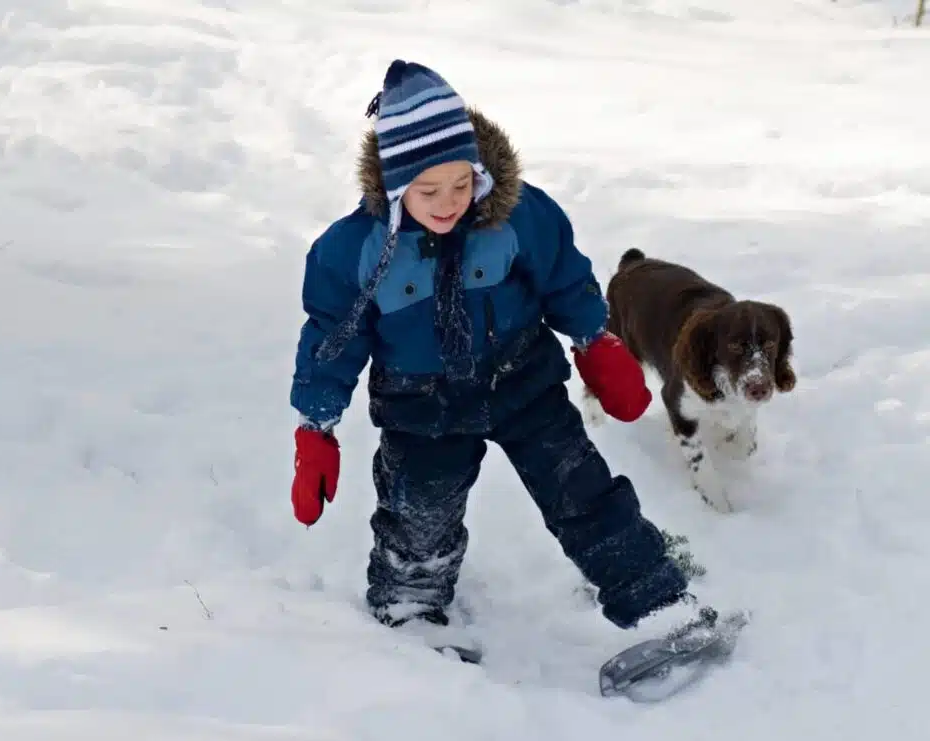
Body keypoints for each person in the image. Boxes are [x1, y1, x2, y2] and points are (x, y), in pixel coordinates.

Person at [289, 59, 717, 641]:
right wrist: (317, 426)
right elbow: (329, 338)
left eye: (462, 184)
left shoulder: (516, 217)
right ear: (393, 189)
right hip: (423, 410)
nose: (448, 203)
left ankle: (655, 600)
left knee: (583, 494)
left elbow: (565, 276)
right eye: (427, 191)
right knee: (419, 518)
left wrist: (595, 339)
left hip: (523, 384)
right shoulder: (355, 252)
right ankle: (411, 615)